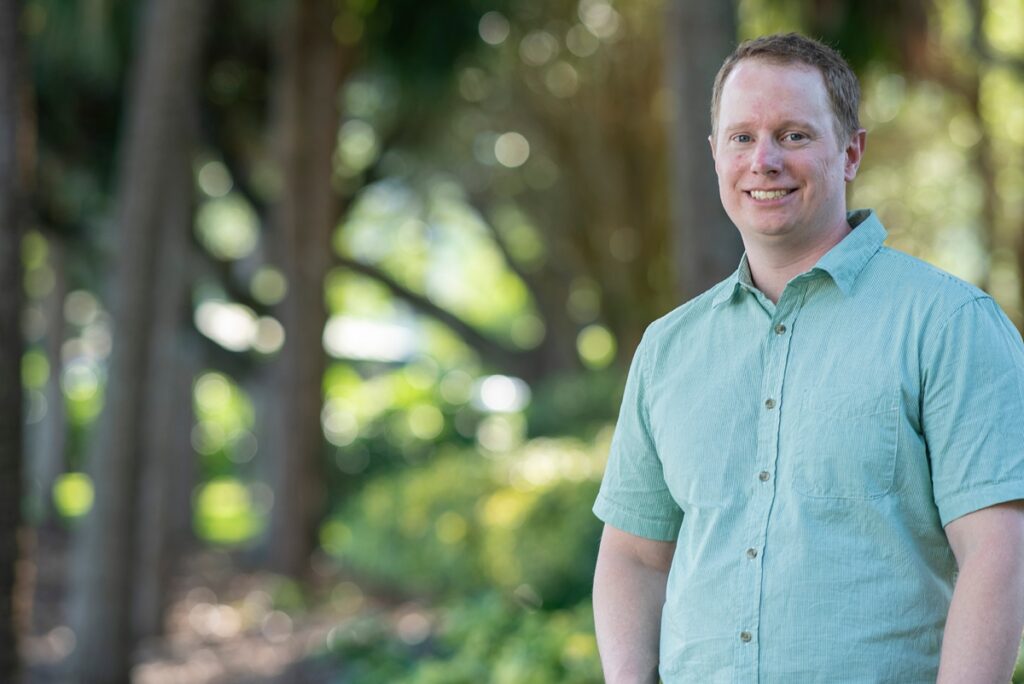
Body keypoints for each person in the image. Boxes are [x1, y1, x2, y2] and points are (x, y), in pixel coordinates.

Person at [592, 32, 1024, 683]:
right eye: (741, 138)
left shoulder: (951, 325)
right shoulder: (668, 349)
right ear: (714, 155)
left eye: (793, 135)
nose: (763, 160)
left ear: (851, 152)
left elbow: (1001, 552)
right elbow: (634, 556)